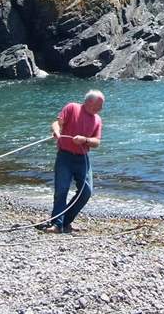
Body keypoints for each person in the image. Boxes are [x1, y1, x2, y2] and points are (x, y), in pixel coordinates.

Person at [41, 90, 104, 233]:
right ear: (89, 102)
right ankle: (57, 224)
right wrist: (57, 132)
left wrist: (85, 140)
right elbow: (57, 123)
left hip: (83, 159)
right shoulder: (72, 107)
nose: (101, 109)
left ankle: (66, 222)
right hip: (65, 157)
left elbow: (97, 142)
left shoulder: (98, 119)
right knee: (61, 190)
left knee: (86, 192)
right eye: (99, 105)